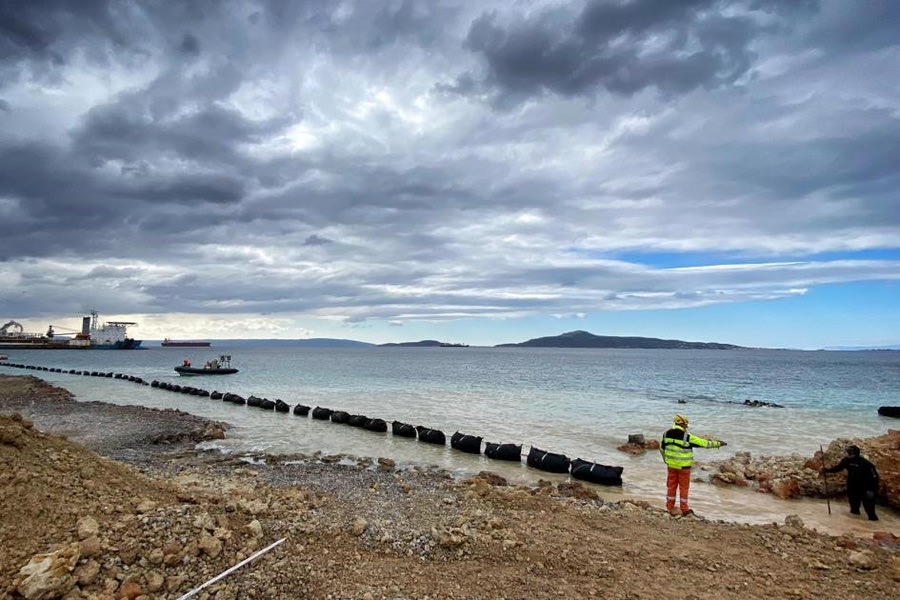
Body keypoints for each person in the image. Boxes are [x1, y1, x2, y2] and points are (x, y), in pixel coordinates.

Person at [660, 414, 726, 516]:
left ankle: (670, 507)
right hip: (684, 467)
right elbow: (704, 443)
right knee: (684, 488)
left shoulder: (665, 434)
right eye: (686, 425)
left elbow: (662, 449)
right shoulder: (687, 437)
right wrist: (718, 444)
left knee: (671, 487)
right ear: (684, 424)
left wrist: (666, 460)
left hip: (671, 466)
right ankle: (684, 509)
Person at [823, 445, 879, 521]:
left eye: (847, 452)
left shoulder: (866, 464)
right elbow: (838, 468)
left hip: (865, 489)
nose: (845, 453)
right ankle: (855, 525)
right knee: (854, 509)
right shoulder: (846, 460)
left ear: (853, 454)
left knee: (870, 511)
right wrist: (827, 470)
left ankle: (874, 526)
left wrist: (872, 490)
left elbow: (875, 477)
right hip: (852, 487)